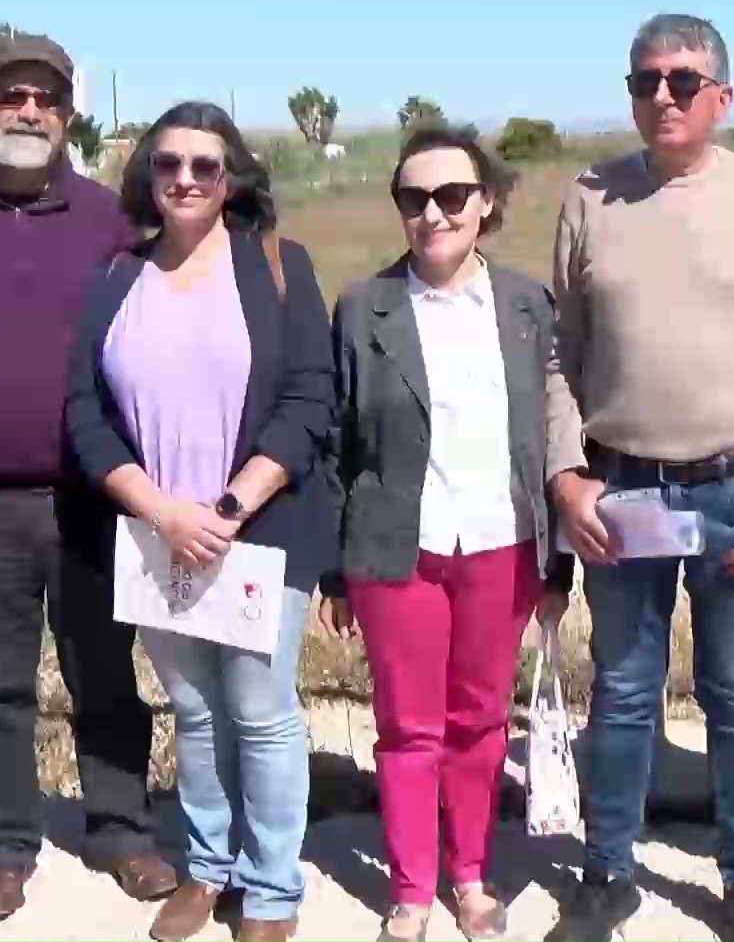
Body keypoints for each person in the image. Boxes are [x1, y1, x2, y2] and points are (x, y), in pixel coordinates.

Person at [542, 13, 734, 942]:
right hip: (624, 488)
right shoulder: (590, 196)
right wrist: (564, 472)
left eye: (681, 80)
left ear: (722, 95)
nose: (662, 97)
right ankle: (608, 872)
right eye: (645, 82)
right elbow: (560, 354)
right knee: (624, 688)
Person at [0, 34, 170, 921]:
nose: (28, 111)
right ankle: (5, 846)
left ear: (66, 116)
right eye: (11, 96)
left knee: (105, 673)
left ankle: (122, 828)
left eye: (45, 100)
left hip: (91, 496)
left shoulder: (105, 218)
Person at [65, 101, 337, 942]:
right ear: (149, 175)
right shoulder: (117, 277)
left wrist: (224, 510)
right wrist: (158, 510)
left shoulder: (278, 266)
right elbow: (85, 410)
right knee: (193, 709)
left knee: (259, 709)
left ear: (231, 180)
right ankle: (209, 867)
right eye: (168, 164)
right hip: (157, 537)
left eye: (204, 167)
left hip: (255, 529)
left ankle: (269, 887)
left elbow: (307, 402)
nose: (185, 179)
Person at [317, 127, 575, 942]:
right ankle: (410, 889)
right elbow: (336, 444)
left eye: (452, 196)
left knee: (480, 722)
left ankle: (468, 875)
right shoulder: (364, 309)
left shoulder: (528, 306)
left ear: (486, 202)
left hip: (502, 543)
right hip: (399, 547)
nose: (433, 213)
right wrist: (333, 571)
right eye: (414, 198)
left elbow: (551, 435)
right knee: (407, 727)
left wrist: (557, 562)